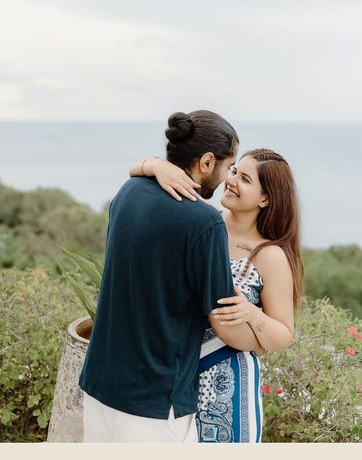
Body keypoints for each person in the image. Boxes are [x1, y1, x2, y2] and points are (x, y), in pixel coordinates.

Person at [79, 110, 264, 443]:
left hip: (99, 384)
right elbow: (222, 318)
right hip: (153, 400)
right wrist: (267, 338)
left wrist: (149, 165)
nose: (225, 177)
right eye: (227, 165)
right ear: (207, 161)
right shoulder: (204, 221)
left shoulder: (128, 192)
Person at [129, 147, 304, 442]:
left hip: (225, 388)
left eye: (245, 179)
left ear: (265, 198)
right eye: (234, 171)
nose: (231, 180)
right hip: (170, 375)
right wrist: (155, 165)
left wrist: (252, 314)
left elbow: (284, 335)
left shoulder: (269, 254)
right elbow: (137, 172)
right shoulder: (202, 222)